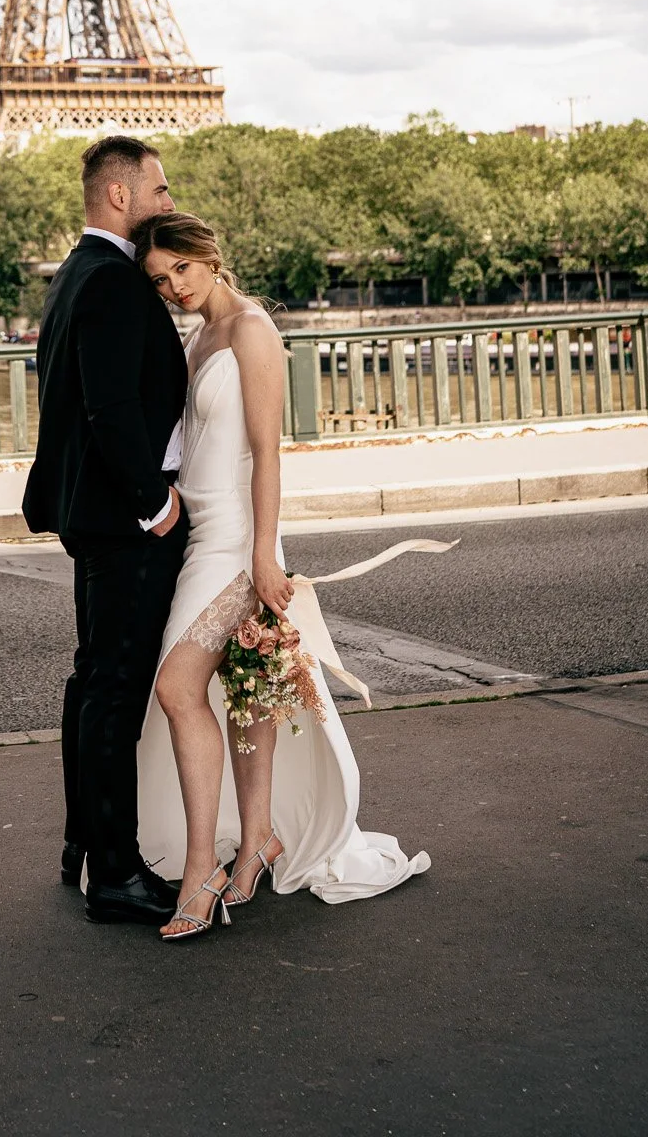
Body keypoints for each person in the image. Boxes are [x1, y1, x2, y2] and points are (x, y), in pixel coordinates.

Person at [132, 211, 431, 940]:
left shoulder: (253, 332)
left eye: (181, 269)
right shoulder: (200, 332)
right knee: (243, 689)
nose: (173, 287)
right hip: (202, 536)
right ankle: (257, 841)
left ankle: (203, 862)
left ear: (210, 256)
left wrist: (264, 556)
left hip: (237, 542)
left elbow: (267, 454)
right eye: (159, 279)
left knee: (177, 687)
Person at [21, 135, 187, 925]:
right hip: (124, 524)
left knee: (92, 683)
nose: (166, 198)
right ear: (119, 195)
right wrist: (153, 504)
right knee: (115, 690)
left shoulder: (73, 274)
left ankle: (83, 844)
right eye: (157, 187)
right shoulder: (115, 282)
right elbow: (111, 408)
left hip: (85, 513)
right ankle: (115, 873)